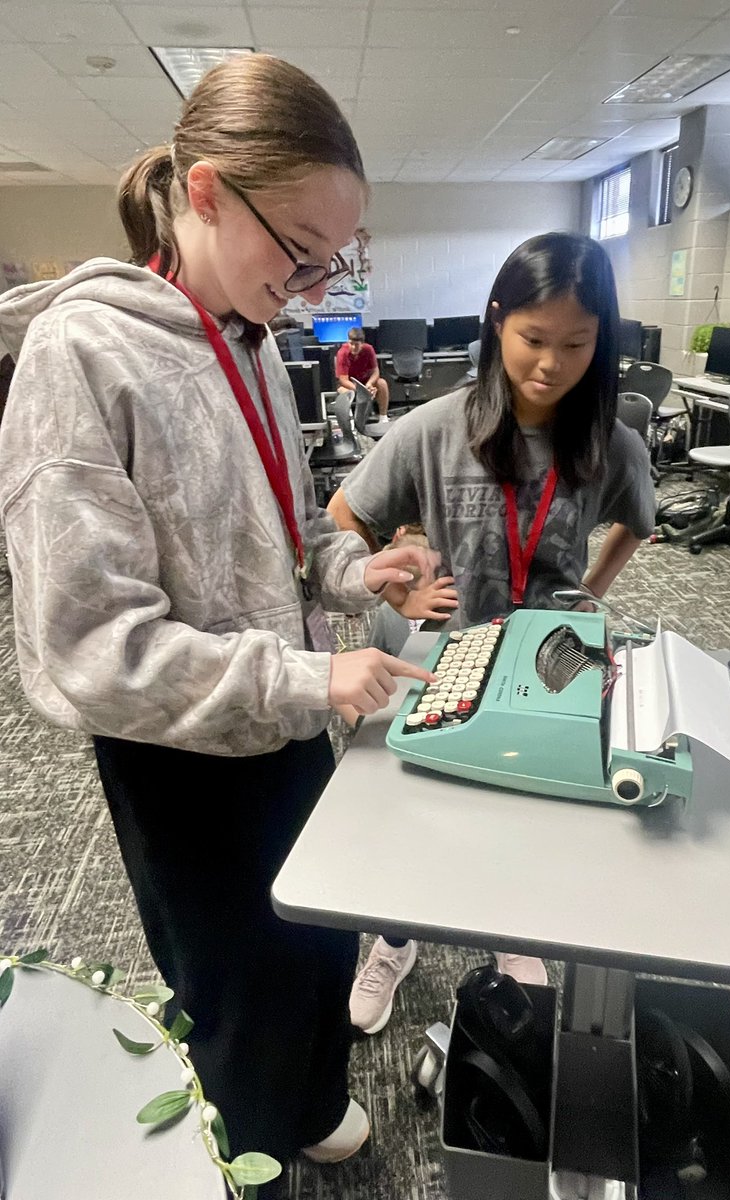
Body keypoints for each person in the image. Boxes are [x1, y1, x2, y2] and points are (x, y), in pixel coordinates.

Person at [0, 54, 438, 1180]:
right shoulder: (81, 353)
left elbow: (288, 537)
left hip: (288, 719)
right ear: (203, 192)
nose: (307, 285)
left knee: (316, 941)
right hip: (182, 757)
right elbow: (89, 646)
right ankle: (249, 1146)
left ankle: (305, 1100)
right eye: (296, 251)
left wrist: (359, 571)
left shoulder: (247, 337)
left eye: (326, 263)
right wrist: (305, 678)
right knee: (232, 984)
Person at [327, 232, 657, 1036]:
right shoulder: (436, 428)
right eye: (533, 339)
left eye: (577, 344)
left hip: (548, 667)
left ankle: (514, 937)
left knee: (527, 814)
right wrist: (398, 588)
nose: (551, 363)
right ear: (498, 322)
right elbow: (343, 521)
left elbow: (635, 526)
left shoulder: (610, 442)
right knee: (420, 815)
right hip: (445, 657)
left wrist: (586, 598)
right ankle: (397, 937)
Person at [335, 324, 389, 420]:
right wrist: (361, 389)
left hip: (366, 382)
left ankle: (383, 417)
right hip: (349, 384)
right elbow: (343, 380)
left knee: (382, 383)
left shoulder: (369, 349)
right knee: (345, 392)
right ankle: (349, 421)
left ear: (362, 344)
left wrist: (369, 384)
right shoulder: (342, 353)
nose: (353, 347)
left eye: (357, 345)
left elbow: (375, 371)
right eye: (351, 344)